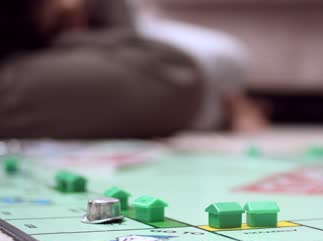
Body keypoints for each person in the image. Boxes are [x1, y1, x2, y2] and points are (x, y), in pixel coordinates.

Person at [0, 0, 267, 139]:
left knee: (225, 56)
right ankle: (221, 109)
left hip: (106, 36)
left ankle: (223, 105)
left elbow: (123, 27)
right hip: (32, 53)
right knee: (197, 69)